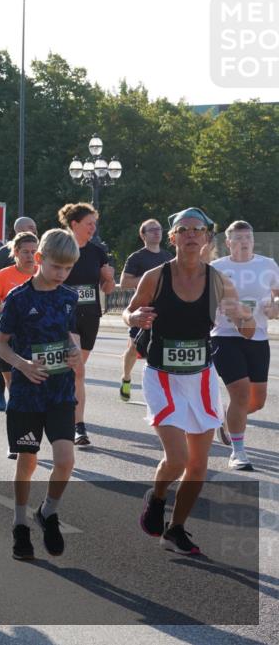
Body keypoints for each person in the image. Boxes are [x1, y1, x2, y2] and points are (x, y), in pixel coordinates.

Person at [125, 207, 253, 555]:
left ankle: (176, 529)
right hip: (163, 376)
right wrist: (134, 316)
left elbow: (248, 328)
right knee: (178, 459)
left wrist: (242, 318)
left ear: (208, 238)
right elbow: (129, 312)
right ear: (173, 237)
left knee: (199, 464)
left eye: (198, 229)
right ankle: (158, 496)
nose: (191, 235)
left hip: (200, 376)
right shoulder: (156, 276)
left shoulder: (218, 280)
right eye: (184, 229)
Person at [0, 228, 83, 561]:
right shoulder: (18, 298)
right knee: (27, 462)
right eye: (56, 267)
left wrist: (73, 352)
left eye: (68, 269)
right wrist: (23, 365)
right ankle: (19, 523)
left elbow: (70, 336)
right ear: (40, 259)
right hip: (27, 395)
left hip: (59, 392)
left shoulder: (68, 297)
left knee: (65, 460)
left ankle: (48, 511)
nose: (61, 275)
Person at [210, 220, 279, 469]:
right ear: (228, 243)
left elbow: (278, 293)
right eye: (238, 239)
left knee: (256, 401)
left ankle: (228, 421)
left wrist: (276, 305)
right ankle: (238, 452)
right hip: (225, 336)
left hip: (258, 337)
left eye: (248, 237)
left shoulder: (267, 265)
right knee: (239, 393)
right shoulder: (216, 268)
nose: (244, 242)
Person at [58, 203, 115, 445]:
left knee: (72, 374)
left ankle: (64, 411)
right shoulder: (61, 248)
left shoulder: (97, 252)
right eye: (88, 223)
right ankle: (78, 426)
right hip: (65, 316)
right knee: (78, 370)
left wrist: (110, 279)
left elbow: (107, 288)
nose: (93, 228)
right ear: (74, 224)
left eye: (94, 223)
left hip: (90, 317)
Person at [0, 232, 39, 423]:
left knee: (38, 385)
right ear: (15, 252)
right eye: (25, 252)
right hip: (9, 339)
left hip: (37, 339)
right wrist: (7, 307)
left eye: (33, 251)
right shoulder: (4, 274)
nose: (30, 256)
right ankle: (17, 430)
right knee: (14, 387)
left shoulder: (42, 274)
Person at [118, 219, 172, 401]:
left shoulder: (168, 256)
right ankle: (126, 378)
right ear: (143, 235)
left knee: (162, 350)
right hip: (142, 310)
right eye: (152, 230)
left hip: (164, 311)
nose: (157, 232)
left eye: (159, 229)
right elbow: (125, 283)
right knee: (134, 349)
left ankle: (161, 391)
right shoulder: (137, 257)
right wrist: (149, 279)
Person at [0, 217, 38, 284]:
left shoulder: (41, 250)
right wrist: (12, 282)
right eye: (31, 227)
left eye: (33, 252)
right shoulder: (6, 251)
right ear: (20, 230)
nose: (35, 231)